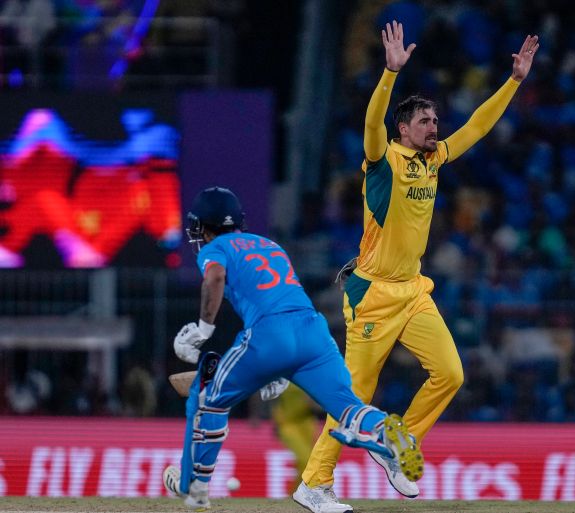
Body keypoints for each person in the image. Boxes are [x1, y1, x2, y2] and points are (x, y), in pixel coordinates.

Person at [298, 20, 539, 506]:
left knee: (451, 374)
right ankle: (314, 484)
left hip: (412, 291)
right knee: (353, 399)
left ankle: (398, 445)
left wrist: (513, 81)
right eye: (425, 121)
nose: (435, 127)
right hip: (371, 295)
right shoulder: (382, 161)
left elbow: (477, 126)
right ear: (403, 129)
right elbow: (372, 125)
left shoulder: (434, 160)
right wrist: (390, 74)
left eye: (435, 120)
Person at [162, 186, 423, 512]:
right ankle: (383, 433)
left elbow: (215, 279)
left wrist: (203, 329)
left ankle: (195, 489)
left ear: (203, 226)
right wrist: (276, 372)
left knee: (210, 403)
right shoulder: (270, 245)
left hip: (270, 334)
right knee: (348, 409)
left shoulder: (215, 248)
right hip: (313, 332)